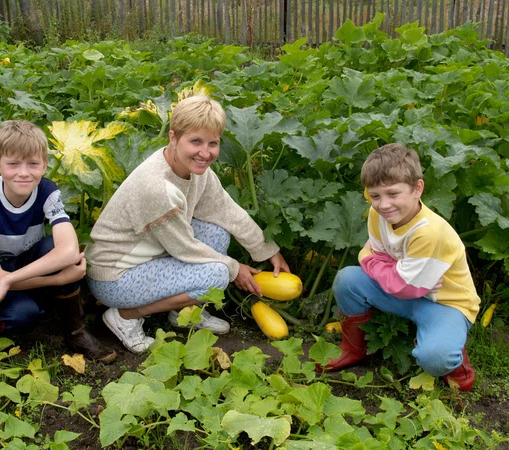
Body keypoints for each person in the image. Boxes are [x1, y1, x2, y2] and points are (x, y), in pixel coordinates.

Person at [85, 95, 289, 354]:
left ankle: (185, 311)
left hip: (147, 257)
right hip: (114, 277)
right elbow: (185, 249)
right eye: (195, 141)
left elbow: (226, 210)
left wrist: (266, 249)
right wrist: (235, 268)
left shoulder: (195, 169)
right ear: (173, 137)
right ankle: (126, 315)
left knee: (216, 232)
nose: (205, 153)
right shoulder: (157, 187)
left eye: (212, 143)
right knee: (217, 274)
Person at [323, 143, 480, 390]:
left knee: (435, 358)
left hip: (446, 303)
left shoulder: (429, 232)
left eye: (393, 194)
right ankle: (353, 350)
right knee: (347, 280)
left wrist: (382, 266)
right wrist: (382, 265)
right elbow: (373, 256)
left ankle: (458, 367)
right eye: (375, 196)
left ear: (417, 188)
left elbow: (392, 275)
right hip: (406, 292)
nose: (384, 204)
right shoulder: (379, 215)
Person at [0, 120, 116, 363]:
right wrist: (59, 279)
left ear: (44, 165)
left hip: (21, 268)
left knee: (61, 251)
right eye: (13, 164)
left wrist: (9, 280)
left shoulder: (47, 190)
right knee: (23, 314)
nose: (24, 173)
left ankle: (76, 332)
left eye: (33, 164)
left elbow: (69, 251)